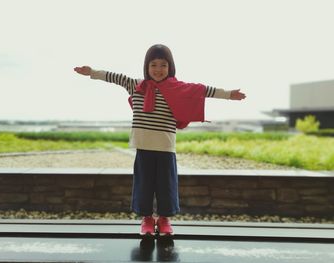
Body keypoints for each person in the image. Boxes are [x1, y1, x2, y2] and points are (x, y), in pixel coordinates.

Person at [74, 44, 246, 236]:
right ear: (146, 67)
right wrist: (92, 72)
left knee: (166, 187)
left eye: (163, 65)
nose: (158, 69)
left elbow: (203, 90)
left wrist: (229, 95)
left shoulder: (178, 88)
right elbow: (114, 77)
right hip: (143, 147)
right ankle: (146, 220)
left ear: (170, 67)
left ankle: (164, 220)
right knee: (144, 186)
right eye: (153, 64)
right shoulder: (136, 85)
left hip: (165, 148)